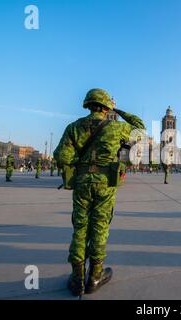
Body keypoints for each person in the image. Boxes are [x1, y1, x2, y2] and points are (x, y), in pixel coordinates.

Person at [54, 88, 145, 296]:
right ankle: (95, 275)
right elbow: (140, 128)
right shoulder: (117, 127)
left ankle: (77, 277)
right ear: (106, 107)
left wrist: (81, 164)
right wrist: (119, 110)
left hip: (82, 183)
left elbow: (61, 156)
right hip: (106, 183)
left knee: (80, 227)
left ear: (88, 104)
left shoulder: (74, 127)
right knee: (100, 226)